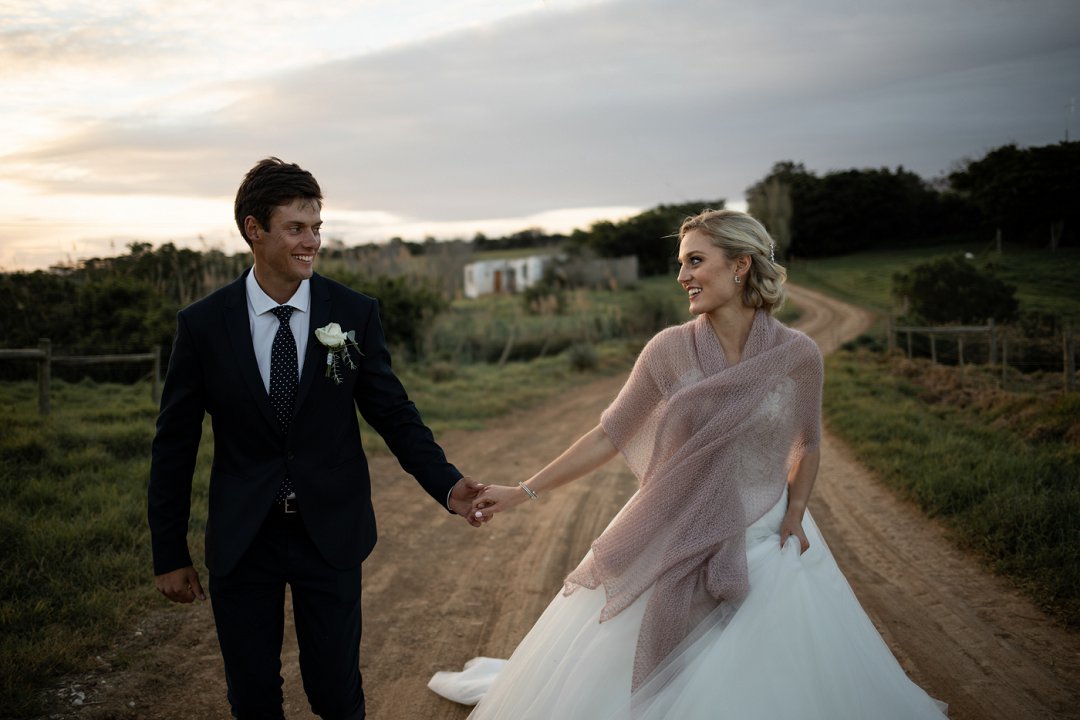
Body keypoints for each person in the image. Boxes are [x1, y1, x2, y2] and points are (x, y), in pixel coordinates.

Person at [429, 209, 947, 718]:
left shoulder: (798, 355)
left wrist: (795, 515)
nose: (682, 277)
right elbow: (609, 434)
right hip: (671, 520)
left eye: (695, 261)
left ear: (740, 265)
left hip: (764, 530)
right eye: (681, 264)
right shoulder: (668, 349)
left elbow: (807, 444)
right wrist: (522, 492)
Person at [149, 157, 485, 720]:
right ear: (254, 230)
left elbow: (394, 413)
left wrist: (448, 486)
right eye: (297, 228)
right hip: (242, 537)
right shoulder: (203, 325)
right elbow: (174, 444)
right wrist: (169, 552)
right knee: (252, 696)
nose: (313, 242)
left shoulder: (352, 314)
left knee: (335, 691)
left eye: (317, 228)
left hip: (329, 531)